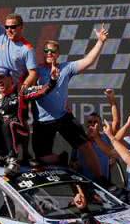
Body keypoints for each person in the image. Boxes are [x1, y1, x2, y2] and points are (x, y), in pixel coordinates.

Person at [32, 33, 109, 182]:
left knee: (85, 146)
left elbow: (88, 61)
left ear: (58, 54)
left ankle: (101, 179)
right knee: (41, 158)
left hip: (63, 117)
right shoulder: (36, 71)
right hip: (42, 121)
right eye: (46, 51)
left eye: (52, 51)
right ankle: (62, 160)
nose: (49, 53)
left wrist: (100, 41)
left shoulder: (66, 68)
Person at [0, 66, 58, 177]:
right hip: (4, 133)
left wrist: (53, 80)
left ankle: (14, 160)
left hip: (20, 131)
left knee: (8, 123)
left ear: (10, 78)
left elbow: (42, 91)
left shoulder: (20, 91)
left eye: (2, 77)